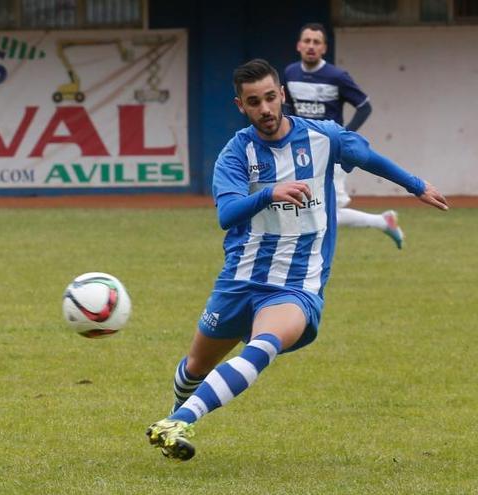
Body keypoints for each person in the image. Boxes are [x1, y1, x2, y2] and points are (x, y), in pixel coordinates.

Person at [146, 59, 448, 461]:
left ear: (282, 95)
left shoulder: (324, 138)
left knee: (262, 345)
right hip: (239, 278)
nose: (266, 109)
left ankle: (180, 420)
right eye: (255, 102)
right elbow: (226, 215)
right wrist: (269, 193)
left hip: (296, 284)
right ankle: (174, 418)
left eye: (271, 97)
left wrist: (415, 185)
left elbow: (367, 154)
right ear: (241, 105)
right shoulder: (236, 154)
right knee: (195, 366)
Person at [282, 22, 405, 249]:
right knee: (310, 206)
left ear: (324, 48)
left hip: (331, 152)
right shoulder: (290, 73)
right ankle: (382, 222)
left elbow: (364, 106)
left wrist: (343, 137)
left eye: (316, 42)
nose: (311, 46)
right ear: (299, 45)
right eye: (307, 41)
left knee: (330, 211)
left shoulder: (336, 76)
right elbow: (288, 107)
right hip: (302, 151)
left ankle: (382, 222)